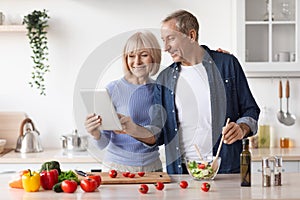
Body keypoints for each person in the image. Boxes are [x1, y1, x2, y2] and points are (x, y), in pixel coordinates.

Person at [121, 10, 260, 174]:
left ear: (191, 35)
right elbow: (159, 134)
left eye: (171, 39)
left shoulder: (227, 65)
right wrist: (130, 128)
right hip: (182, 175)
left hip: (227, 170)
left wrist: (241, 128)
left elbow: (251, 109)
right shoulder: (164, 79)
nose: (166, 48)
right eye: (163, 41)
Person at [84, 31, 162, 172]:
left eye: (144, 55)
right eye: (131, 56)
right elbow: (103, 143)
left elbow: (161, 136)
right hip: (117, 167)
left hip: (153, 167)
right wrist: (95, 133)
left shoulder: (160, 90)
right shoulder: (112, 89)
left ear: (154, 57)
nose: (137, 62)